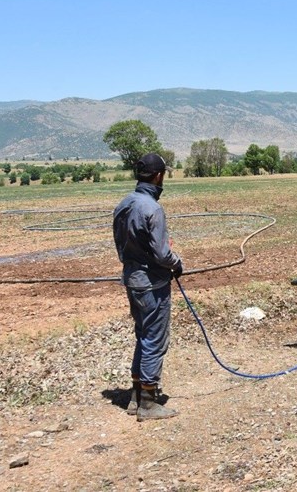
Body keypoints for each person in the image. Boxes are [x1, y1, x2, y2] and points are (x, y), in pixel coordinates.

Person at [113, 152, 184, 421]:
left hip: (131, 279)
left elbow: (121, 246)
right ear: (158, 176)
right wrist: (176, 264)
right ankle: (148, 402)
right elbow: (162, 254)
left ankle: (135, 395)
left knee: (142, 335)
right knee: (155, 338)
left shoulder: (124, 204)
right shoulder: (152, 208)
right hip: (152, 283)